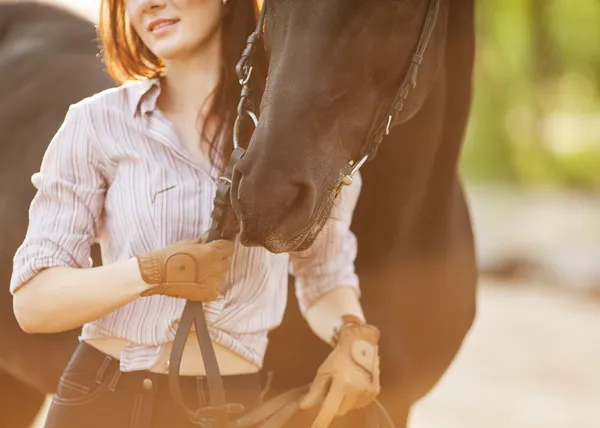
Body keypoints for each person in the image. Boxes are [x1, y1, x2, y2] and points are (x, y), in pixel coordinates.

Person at [10, 0, 381, 427]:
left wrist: (352, 334)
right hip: (100, 396)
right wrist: (152, 273)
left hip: (225, 405)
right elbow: (33, 303)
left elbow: (324, 279)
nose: (149, 4)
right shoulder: (94, 124)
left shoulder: (304, 140)